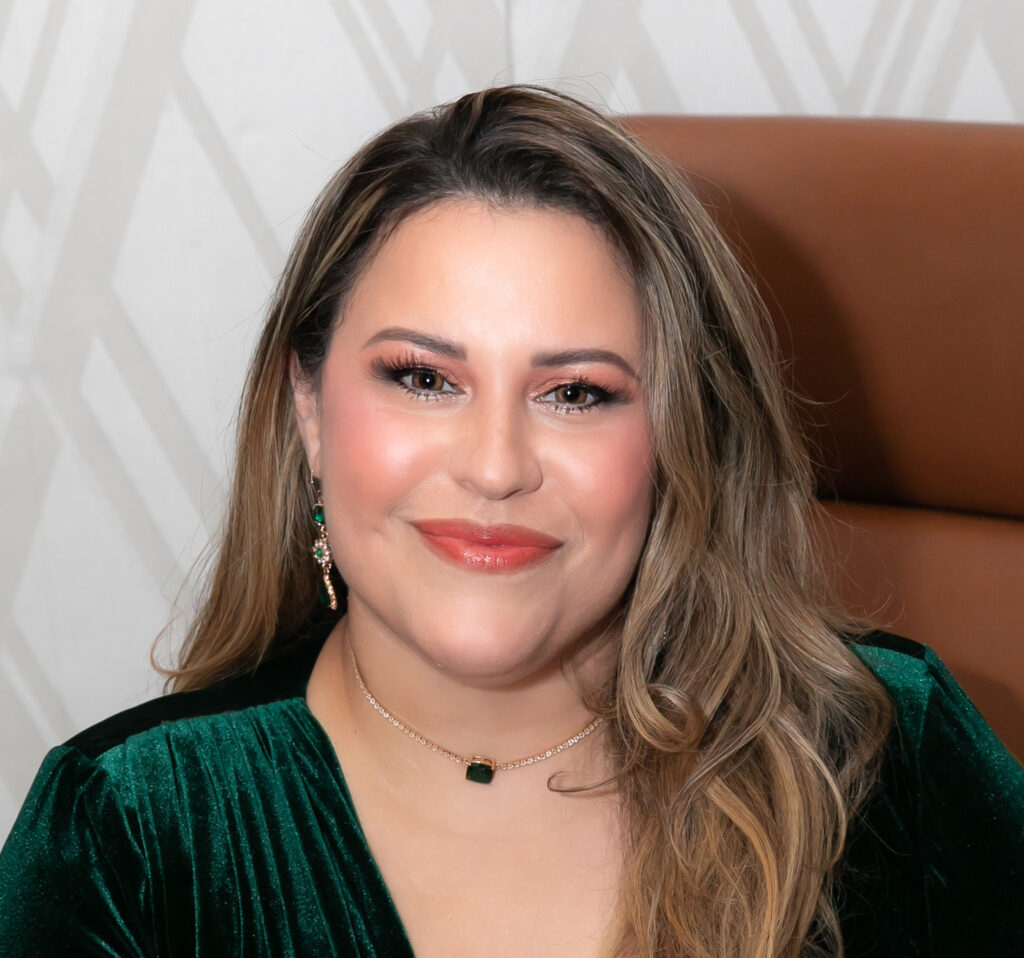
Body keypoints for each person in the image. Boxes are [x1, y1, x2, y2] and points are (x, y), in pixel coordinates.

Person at [0, 84, 1021, 958]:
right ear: (309, 410)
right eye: (423, 378)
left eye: (575, 393)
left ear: (677, 438)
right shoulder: (127, 829)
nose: (494, 468)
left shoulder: (887, 752)